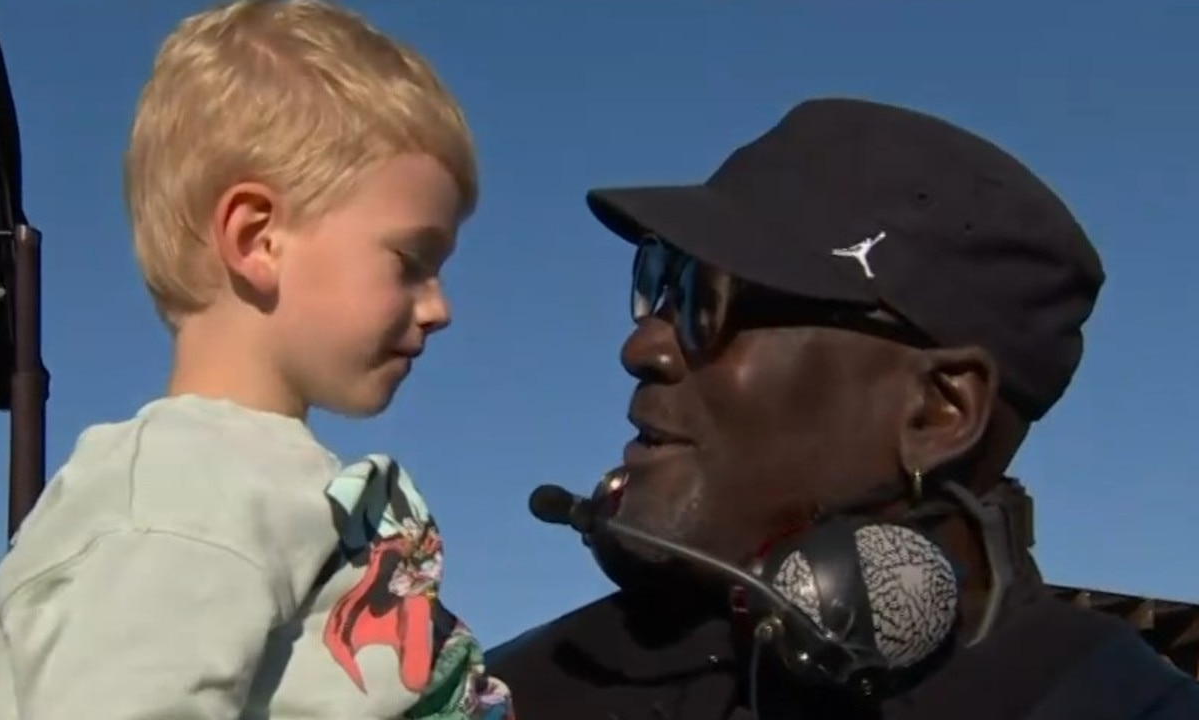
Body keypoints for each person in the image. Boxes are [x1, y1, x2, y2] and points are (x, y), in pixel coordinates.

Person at [488, 98, 1199, 720]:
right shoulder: (504, 696)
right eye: (657, 281)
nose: (643, 345)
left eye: (709, 299)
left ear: (937, 412)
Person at [0, 2, 512, 719]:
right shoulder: (172, 500)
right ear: (258, 239)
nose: (438, 306)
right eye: (412, 261)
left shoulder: (251, 481)